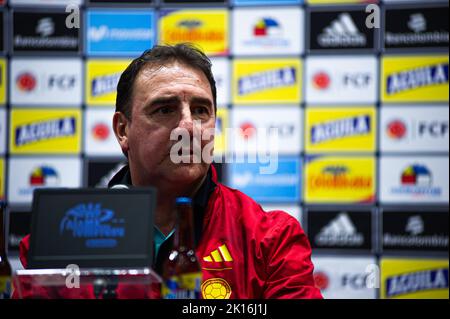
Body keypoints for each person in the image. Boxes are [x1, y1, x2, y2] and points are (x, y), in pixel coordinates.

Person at [16, 44, 322, 299]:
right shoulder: (55, 245)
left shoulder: (271, 240)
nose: (188, 127)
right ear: (123, 130)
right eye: (164, 109)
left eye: (201, 110)